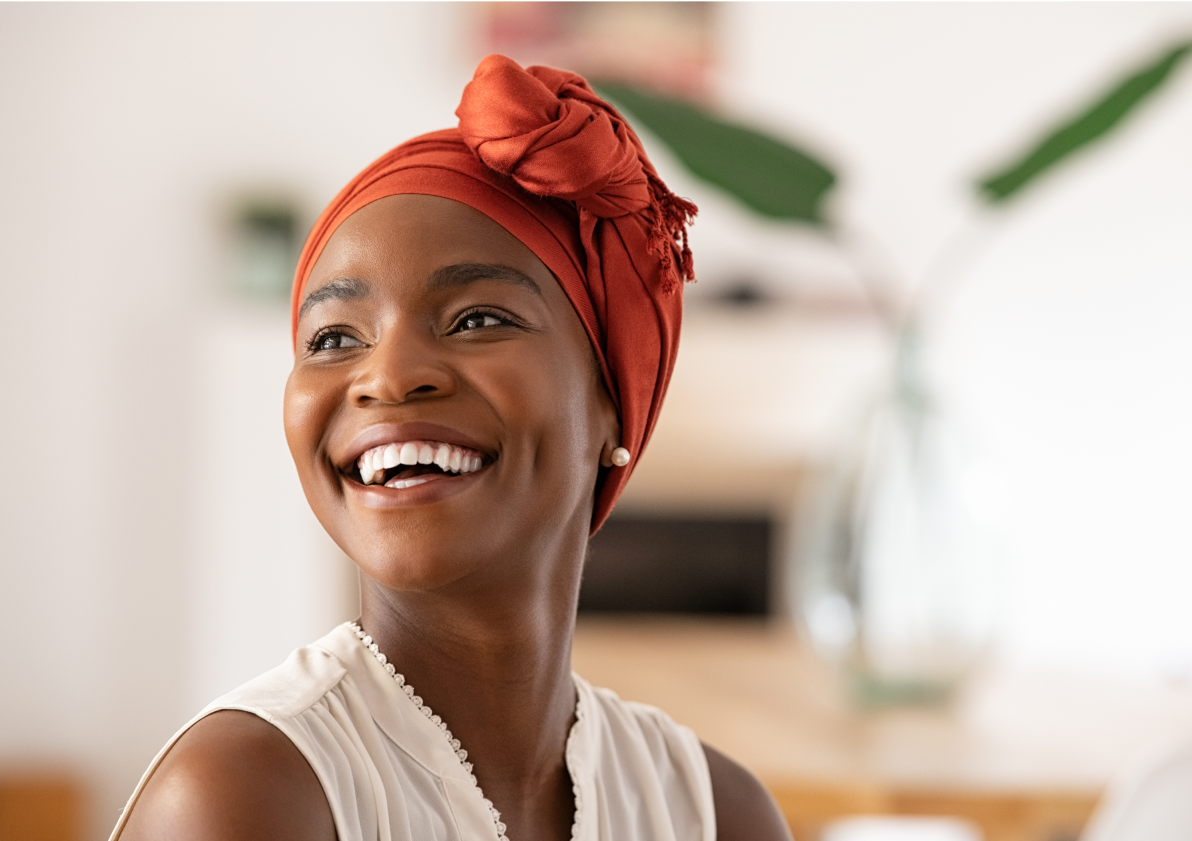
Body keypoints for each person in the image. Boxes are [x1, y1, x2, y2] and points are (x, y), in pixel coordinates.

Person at [112, 55, 792, 841]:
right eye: (334, 337)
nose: (388, 376)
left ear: (612, 403)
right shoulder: (245, 795)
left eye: (477, 319)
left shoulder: (713, 812)